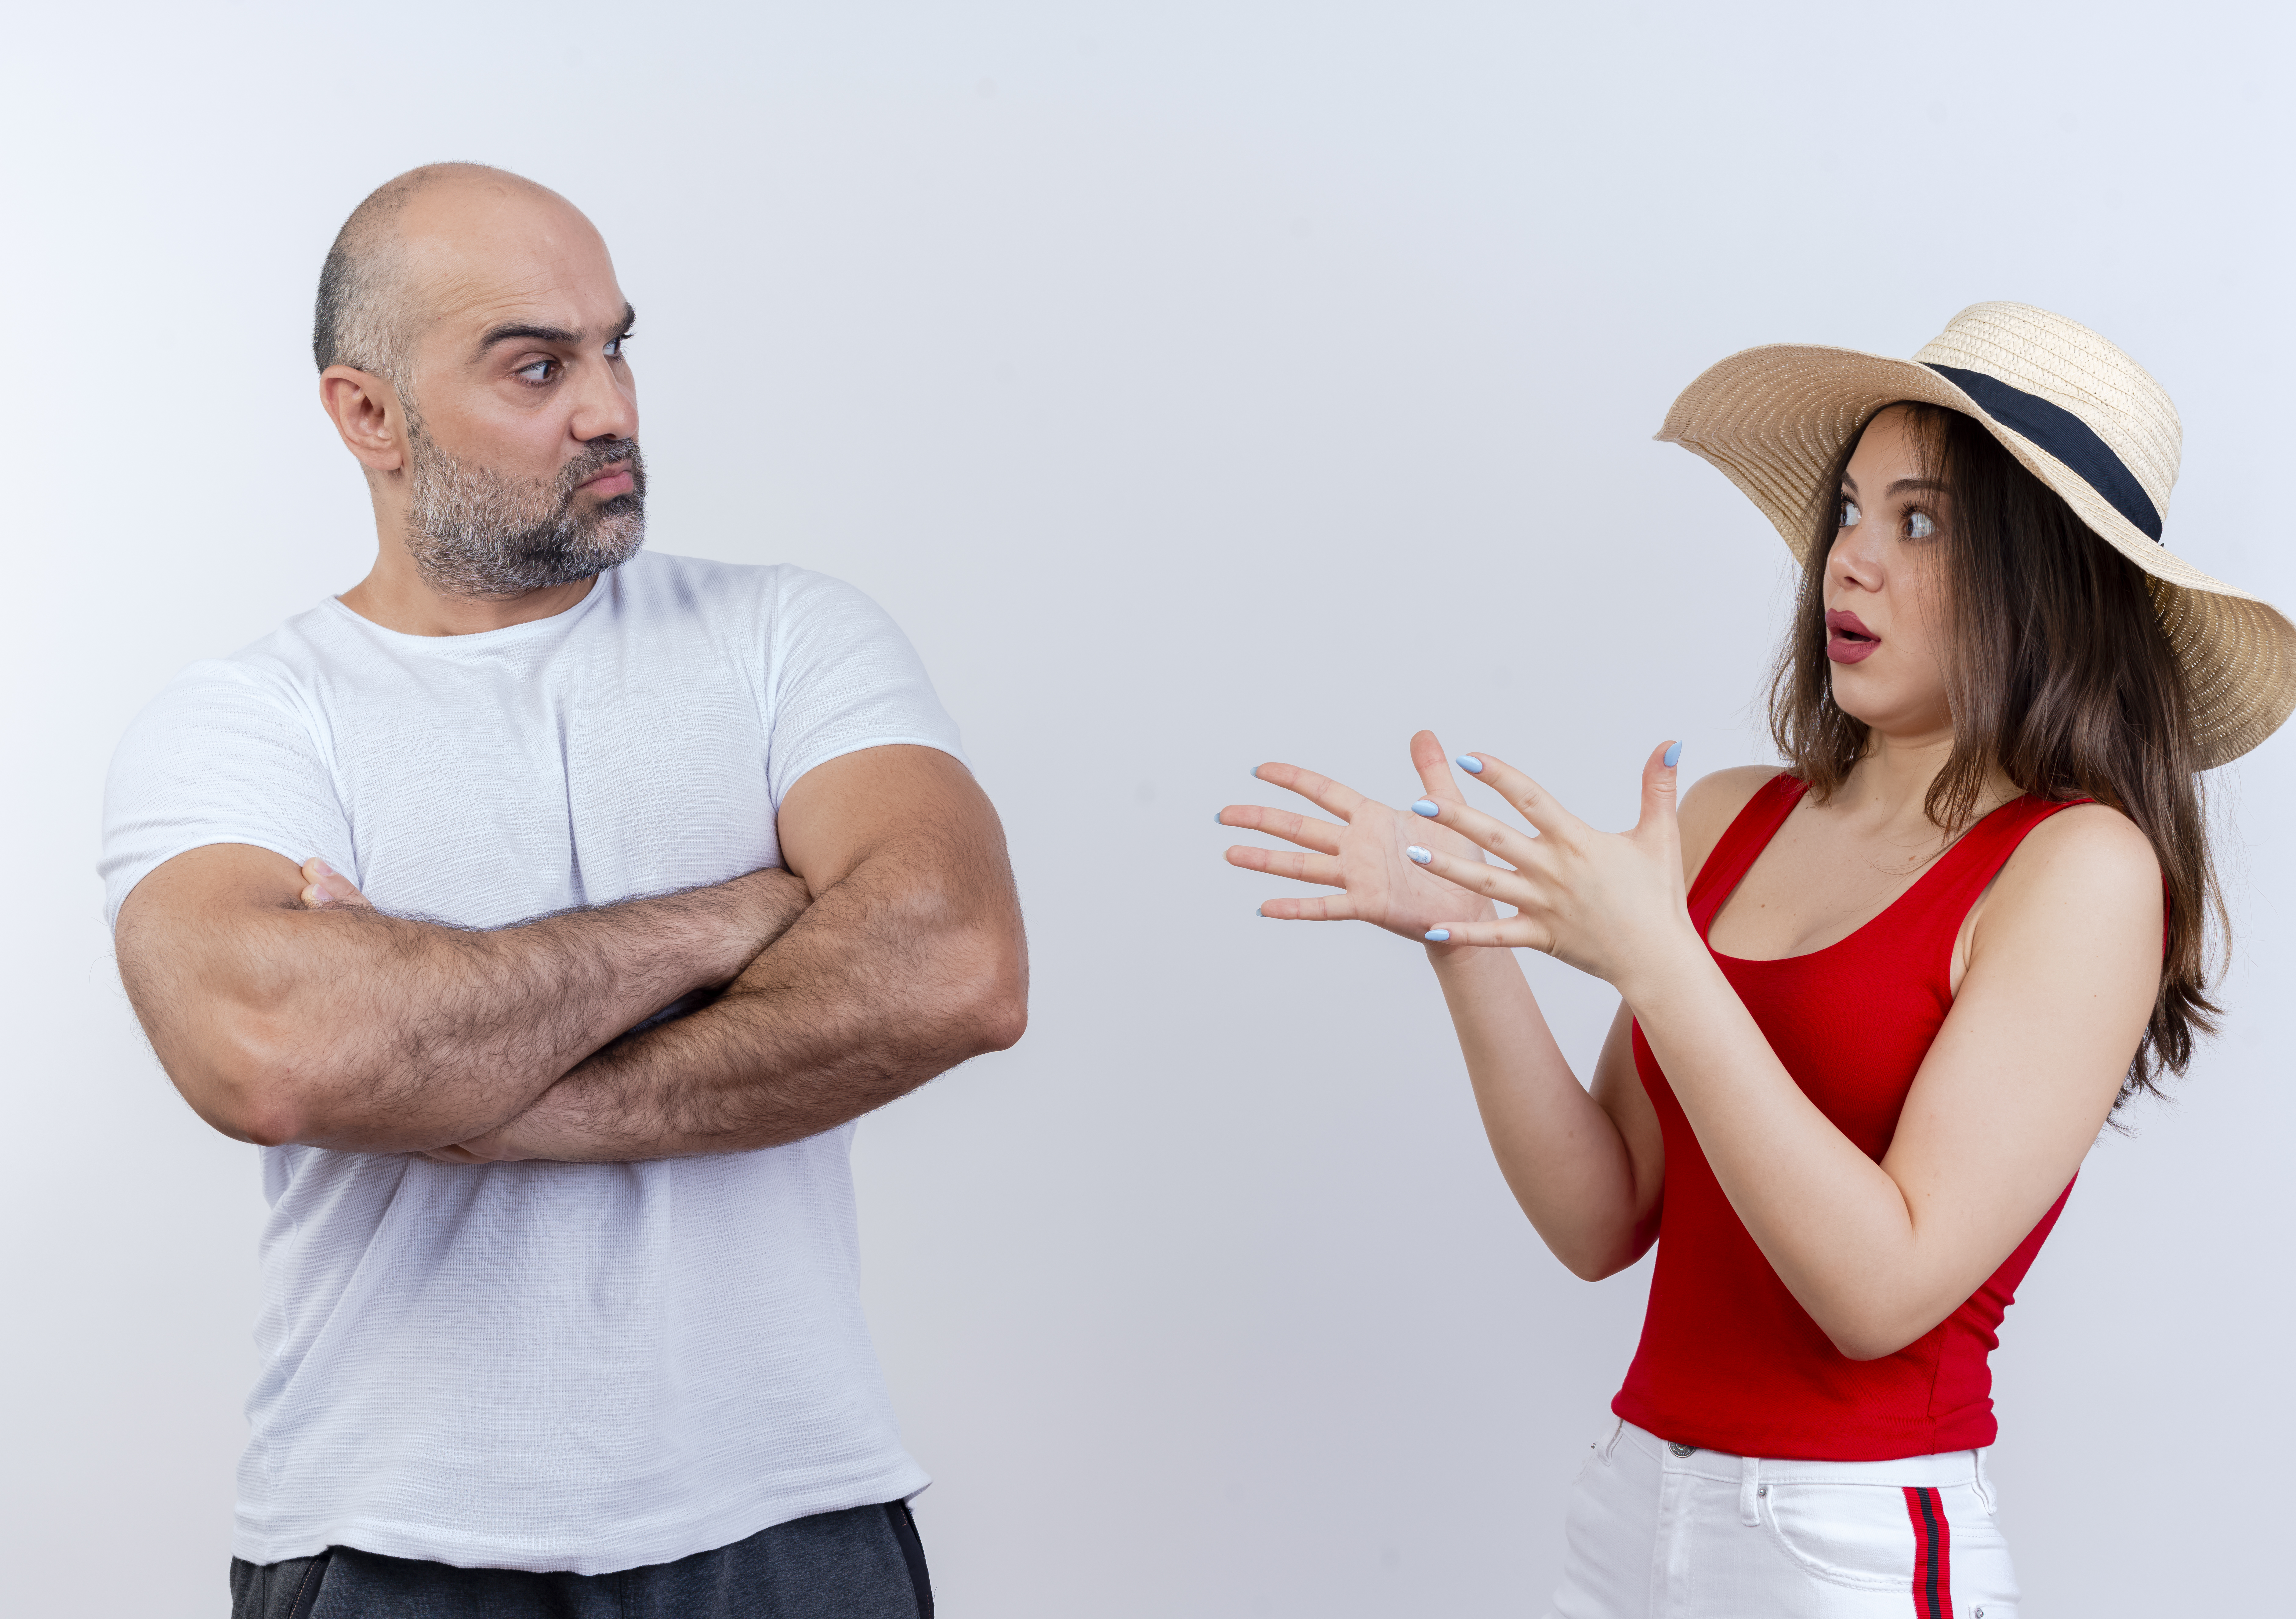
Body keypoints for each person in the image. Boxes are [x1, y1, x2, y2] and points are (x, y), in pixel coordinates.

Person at [1219, 303, 2294, 1616]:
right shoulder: (1734, 816)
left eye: (1921, 522)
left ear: (2046, 579)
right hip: (1630, 1512)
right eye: (1851, 510)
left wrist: (1661, 965)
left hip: (1848, 1547)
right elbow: (1603, 1216)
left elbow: (1881, 1292)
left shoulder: (2084, 870)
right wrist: (1462, 931)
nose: (1848, 562)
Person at [100, 163, 1027, 1619]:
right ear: (366, 415)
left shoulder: (790, 639)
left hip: (787, 1521)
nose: (610, 409)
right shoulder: (250, 721)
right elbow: (275, 1052)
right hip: (386, 1535)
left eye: (615, 347)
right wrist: (730, 917)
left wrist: (483, 1088)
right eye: (537, 366)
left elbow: (956, 969)